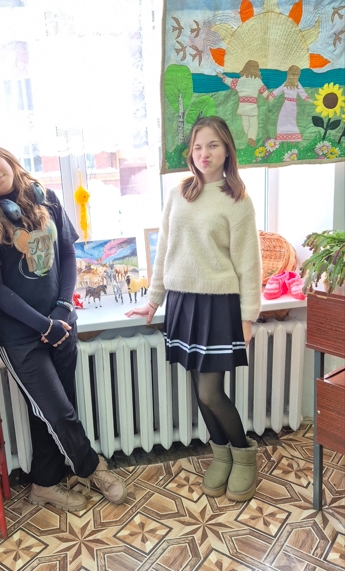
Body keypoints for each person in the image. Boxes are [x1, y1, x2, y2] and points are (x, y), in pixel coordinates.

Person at [0, 139, 127, 512]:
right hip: (19, 338)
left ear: (5, 156)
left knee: (52, 410)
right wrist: (44, 325)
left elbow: (67, 254)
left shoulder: (46, 198)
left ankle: (44, 483)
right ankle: (93, 468)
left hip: (62, 325)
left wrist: (63, 310)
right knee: (58, 412)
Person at [126, 116, 262, 502]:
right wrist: (153, 300)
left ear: (227, 151)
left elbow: (249, 263)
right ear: (190, 152)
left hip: (219, 305)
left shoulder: (238, 200)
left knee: (210, 392)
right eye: (198, 146)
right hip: (182, 302)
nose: (205, 153)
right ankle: (221, 455)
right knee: (197, 391)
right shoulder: (179, 193)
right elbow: (165, 250)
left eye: (213, 145)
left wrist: (248, 317)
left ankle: (244, 457)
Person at [218, 60, 269, 147]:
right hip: (252, 108)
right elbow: (265, 94)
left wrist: (222, 76)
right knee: (253, 123)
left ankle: (248, 136)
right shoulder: (257, 81)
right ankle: (251, 137)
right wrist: (270, 97)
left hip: (243, 107)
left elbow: (230, 81)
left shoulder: (240, 81)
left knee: (245, 123)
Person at [267, 65, 310, 142]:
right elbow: (278, 90)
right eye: (294, 74)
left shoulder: (297, 84)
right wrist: (271, 96)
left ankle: (293, 137)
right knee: (282, 119)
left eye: (297, 75)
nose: (295, 77)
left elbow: (302, 93)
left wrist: (309, 100)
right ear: (289, 74)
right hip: (286, 105)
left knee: (291, 120)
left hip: (292, 106)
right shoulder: (286, 84)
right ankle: (284, 136)